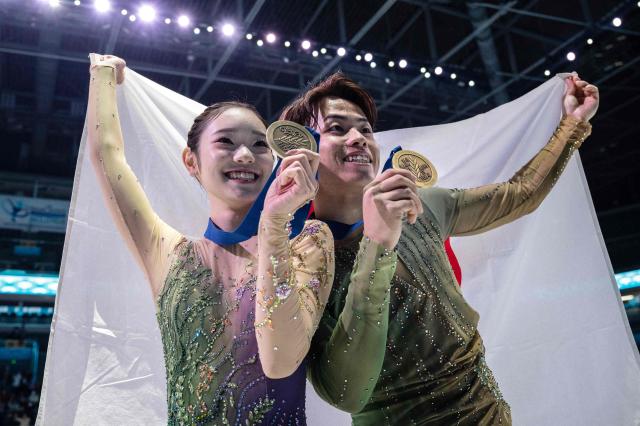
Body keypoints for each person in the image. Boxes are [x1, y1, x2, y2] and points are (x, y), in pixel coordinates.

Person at [280, 72, 598, 424]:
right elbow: (343, 392)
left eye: (366, 129)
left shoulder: (423, 206)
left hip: (487, 414)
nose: (359, 139)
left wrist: (572, 124)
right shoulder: (299, 258)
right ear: (299, 150)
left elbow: (518, 194)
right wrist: (377, 244)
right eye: (337, 129)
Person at [87, 54, 334, 425]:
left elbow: (282, 357)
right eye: (226, 141)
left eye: (260, 145)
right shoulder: (167, 251)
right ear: (191, 161)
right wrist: (103, 72)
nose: (245, 155)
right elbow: (107, 157)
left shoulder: (308, 242)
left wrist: (275, 223)